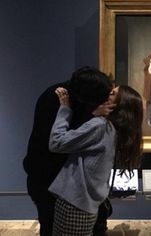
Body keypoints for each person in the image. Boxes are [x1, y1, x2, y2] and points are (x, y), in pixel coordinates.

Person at [23, 67, 115, 236]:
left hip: (76, 188)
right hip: (53, 182)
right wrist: (92, 115)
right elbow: (56, 143)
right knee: (51, 227)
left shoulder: (81, 99)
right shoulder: (55, 98)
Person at [48, 84, 143, 235]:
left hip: (75, 203)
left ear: (117, 104)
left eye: (112, 93)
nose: (107, 94)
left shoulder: (101, 126)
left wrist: (65, 109)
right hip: (86, 204)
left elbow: (57, 143)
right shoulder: (115, 130)